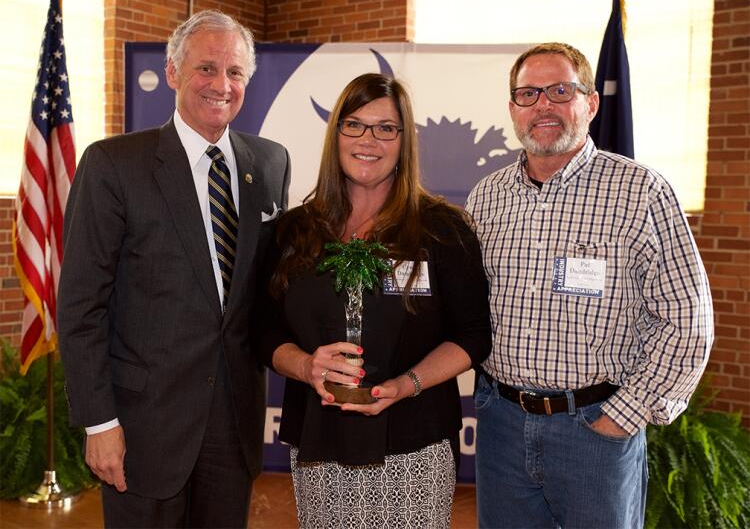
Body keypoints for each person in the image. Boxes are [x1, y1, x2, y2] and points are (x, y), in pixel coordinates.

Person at [57, 9, 290, 528]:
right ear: (172, 72)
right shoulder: (113, 165)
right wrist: (100, 422)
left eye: (234, 73)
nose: (221, 85)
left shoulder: (270, 163)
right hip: (143, 427)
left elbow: (271, 290)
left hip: (233, 425)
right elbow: (79, 306)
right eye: (206, 68)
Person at [466, 42, 714, 529]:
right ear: (513, 109)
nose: (543, 105)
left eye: (561, 91)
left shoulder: (641, 191)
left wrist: (624, 415)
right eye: (528, 94)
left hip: (595, 429)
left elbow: (687, 319)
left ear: (591, 103)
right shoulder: (485, 197)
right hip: (500, 427)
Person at [258, 73, 492, 528]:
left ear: (404, 141)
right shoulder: (294, 231)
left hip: (415, 443)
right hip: (319, 442)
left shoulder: (443, 229)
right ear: (336, 135)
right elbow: (264, 331)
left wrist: (406, 385)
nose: (370, 140)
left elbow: (473, 334)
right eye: (354, 124)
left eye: (386, 128)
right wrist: (307, 366)